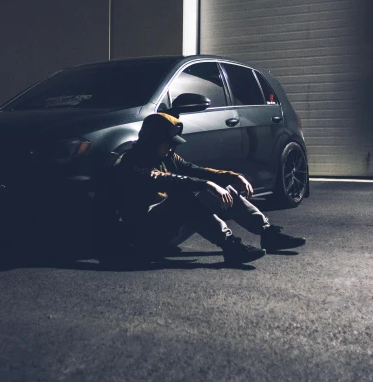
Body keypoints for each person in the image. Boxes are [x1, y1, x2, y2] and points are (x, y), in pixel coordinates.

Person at [109, 112, 306, 266]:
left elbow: (196, 170)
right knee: (183, 196)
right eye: (167, 143)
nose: (171, 148)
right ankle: (231, 248)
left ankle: (269, 234)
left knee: (224, 188)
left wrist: (231, 176)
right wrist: (206, 185)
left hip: (169, 228)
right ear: (153, 140)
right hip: (146, 234)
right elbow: (166, 180)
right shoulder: (130, 161)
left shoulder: (168, 157)